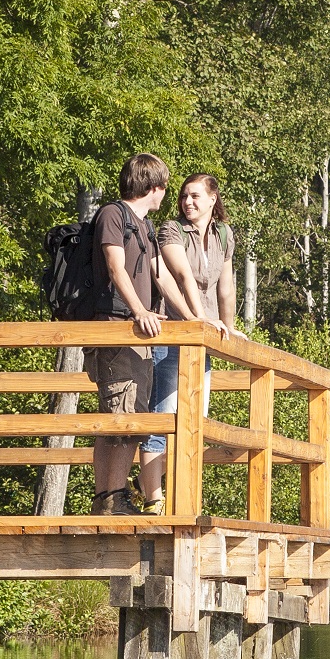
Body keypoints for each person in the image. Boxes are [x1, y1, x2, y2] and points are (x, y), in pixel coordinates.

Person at [142, 173, 239, 506]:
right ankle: (154, 499)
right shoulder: (171, 229)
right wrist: (200, 320)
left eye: (196, 196)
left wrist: (228, 326)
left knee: (195, 419)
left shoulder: (224, 234)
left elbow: (225, 286)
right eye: (184, 196)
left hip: (202, 338)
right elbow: (181, 276)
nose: (187, 202)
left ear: (213, 199)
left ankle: (183, 498)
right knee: (164, 417)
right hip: (171, 332)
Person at [90, 153, 171, 515]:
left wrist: (197, 319)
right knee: (122, 418)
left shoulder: (146, 226)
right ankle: (112, 499)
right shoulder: (113, 214)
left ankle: (111, 498)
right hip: (117, 327)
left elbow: (162, 277)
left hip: (137, 333)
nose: (164, 196)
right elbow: (114, 266)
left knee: (126, 417)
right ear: (154, 188)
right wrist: (139, 311)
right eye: (163, 189)